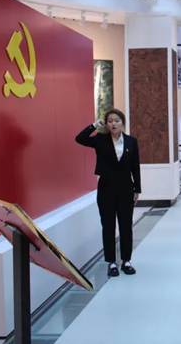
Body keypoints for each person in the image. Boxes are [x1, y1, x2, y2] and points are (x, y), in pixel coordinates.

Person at [75, 109, 141, 277]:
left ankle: (126, 261)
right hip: (106, 189)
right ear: (106, 124)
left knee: (126, 226)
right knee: (108, 226)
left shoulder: (131, 141)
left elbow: (135, 166)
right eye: (110, 121)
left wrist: (137, 189)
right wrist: (93, 126)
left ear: (122, 123)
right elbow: (80, 139)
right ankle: (111, 262)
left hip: (126, 189)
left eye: (117, 120)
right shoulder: (100, 140)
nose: (113, 124)